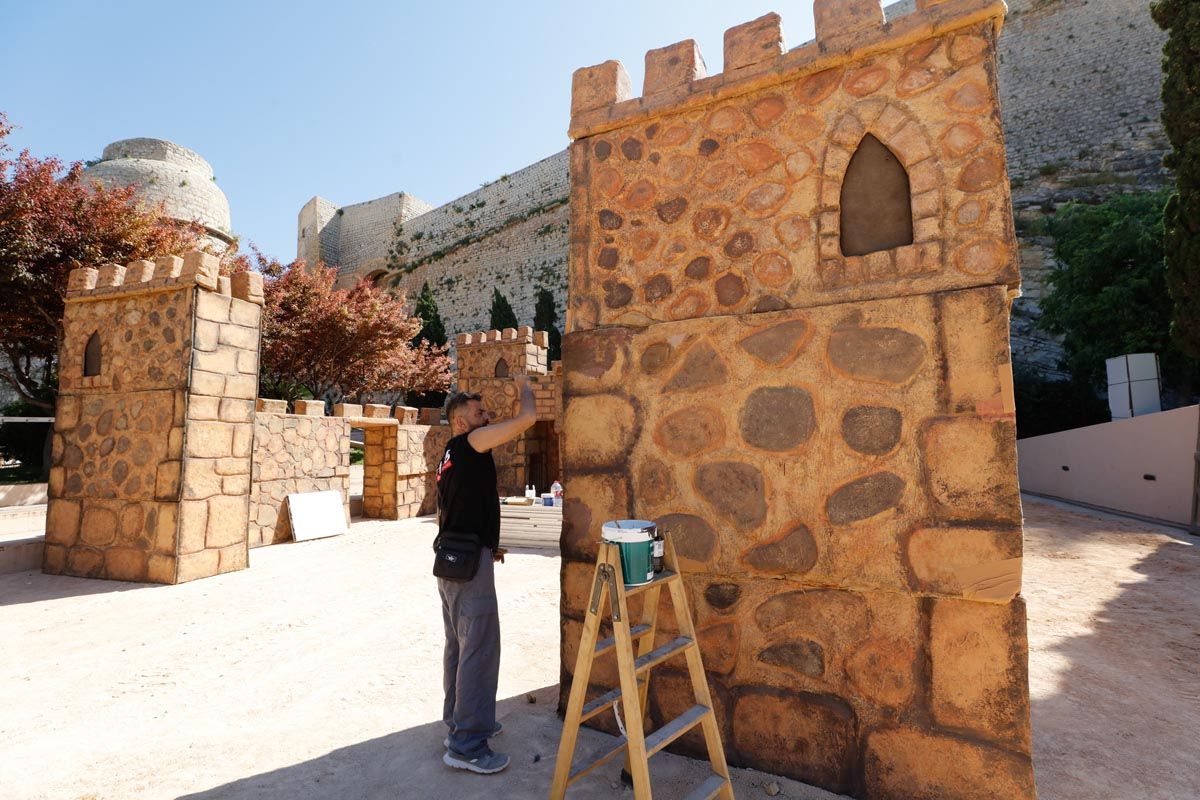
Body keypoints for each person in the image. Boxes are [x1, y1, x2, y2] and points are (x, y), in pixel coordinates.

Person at [436, 374, 535, 774]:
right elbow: (528, 418)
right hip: (465, 565)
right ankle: (468, 747)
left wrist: (485, 544)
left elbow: (459, 508)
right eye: (479, 412)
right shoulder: (469, 443)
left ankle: (458, 725)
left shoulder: (451, 451)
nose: (487, 416)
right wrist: (527, 386)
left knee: (459, 648)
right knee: (478, 650)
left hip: (454, 560)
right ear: (460, 421)